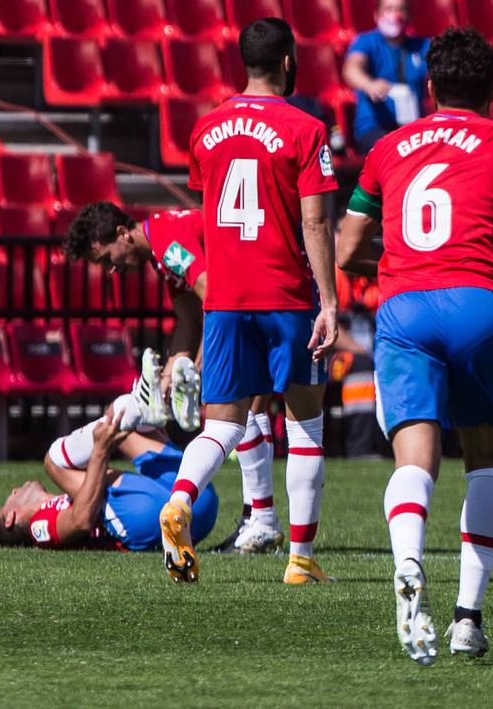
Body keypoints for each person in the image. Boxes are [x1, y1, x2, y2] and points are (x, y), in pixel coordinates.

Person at [335, 27, 493, 664]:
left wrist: (398, 257)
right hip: (479, 305)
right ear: (491, 90)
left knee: (414, 459)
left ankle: (408, 565)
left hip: (404, 307)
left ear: (430, 88)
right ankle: (466, 618)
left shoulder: (387, 147)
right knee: (484, 453)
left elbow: (348, 249)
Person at [159, 17, 340, 585]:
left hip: (227, 298)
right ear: (288, 61)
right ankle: (301, 561)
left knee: (223, 427)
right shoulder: (305, 128)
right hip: (286, 294)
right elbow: (315, 219)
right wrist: (329, 300)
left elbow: (209, 208)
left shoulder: (205, 128)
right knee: (305, 424)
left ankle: (182, 500)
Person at [64, 201, 326, 556]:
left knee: (237, 412)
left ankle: (258, 520)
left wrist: (202, 362)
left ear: (123, 234)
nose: (110, 270)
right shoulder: (162, 244)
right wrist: (170, 375)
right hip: (260, 292)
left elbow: (211, 294)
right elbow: (189, 319)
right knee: (248, 410)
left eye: (107, 258)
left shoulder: (168, 243)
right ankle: (260, 520)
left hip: (258, 295)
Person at [0, 403, 219, 553]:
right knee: (53, 460)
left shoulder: (63, 499)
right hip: (143, 518)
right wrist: (100, 449)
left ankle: (154, 400)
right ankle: (146, 399)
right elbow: (81, 521)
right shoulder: (38, 527)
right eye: (7, 499)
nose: (14, 490)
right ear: (11, 517)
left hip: (198, 501)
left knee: (124, 422)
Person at [342, 0, 431, 154]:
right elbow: (351, 68)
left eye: (400, 9)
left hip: (413, 128)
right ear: (377, 14)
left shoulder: (422, 46)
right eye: (389, 9)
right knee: (395, 152)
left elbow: (448, 66)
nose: (395, 15)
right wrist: (368, 84)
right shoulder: (366, 42)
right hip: (374, 129)